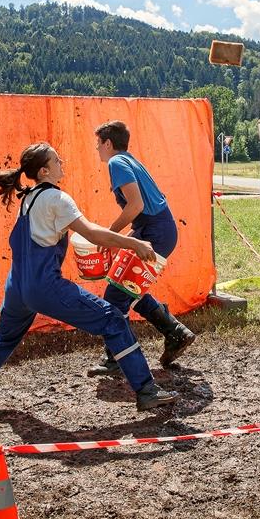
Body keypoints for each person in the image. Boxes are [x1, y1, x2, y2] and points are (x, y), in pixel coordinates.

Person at [0, 142, 179, 414]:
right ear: (44, 171)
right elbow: (91, 234)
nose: (61, 161)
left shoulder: (27, 198)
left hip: (17, 285)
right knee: (113, 319)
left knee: (4, 338)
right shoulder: (57, 198)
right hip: (44, 286)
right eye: (56, 160)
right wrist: (133, 243)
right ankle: (147, 391)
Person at [87, 120, 196, 377]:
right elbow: (143, 210)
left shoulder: (117, 163)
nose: (97, 149)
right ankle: (175, 333)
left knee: (116, 295)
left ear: (108, 143)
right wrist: (125, 238)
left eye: (98, 144)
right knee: (125, 287)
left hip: (155, 231)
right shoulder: (129, 159)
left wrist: (109, 235)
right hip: (155, 228)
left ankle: (117, 358)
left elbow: (135, 205)